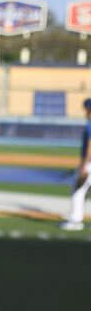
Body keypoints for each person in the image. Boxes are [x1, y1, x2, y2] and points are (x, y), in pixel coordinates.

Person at [60, 97, 91, 231]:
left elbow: (90, 145)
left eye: (86, 109)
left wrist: (84, 165)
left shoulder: (90, 124)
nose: (85, 112)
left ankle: (75, 221)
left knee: (78, 191)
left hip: (89, 164)